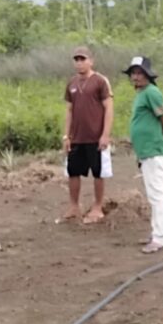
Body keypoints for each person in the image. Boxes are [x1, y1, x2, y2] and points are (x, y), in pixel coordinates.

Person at [123, 57, 163, 254]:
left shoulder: (151, 92)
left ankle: (159, 238)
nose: (135, 77)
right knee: (153, 194)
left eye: (139, 73)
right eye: (133, 73)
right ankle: (156, 232)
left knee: (157, 195)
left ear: (147, 74)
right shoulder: (142, 93)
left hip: (153, 151)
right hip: (146, 151)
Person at [62, 46, 114, 224]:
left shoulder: (100, 81)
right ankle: (74, 206)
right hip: (77, 137)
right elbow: (69, 110)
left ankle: (98, 207)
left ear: (91, 61)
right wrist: (66, 136)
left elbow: (109, 108)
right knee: (73, 171)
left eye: (82, 59)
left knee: (98, 172)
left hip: (95, 136)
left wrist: (105, 134)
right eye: (76, 60)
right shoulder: (71, 83)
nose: (79, 63)